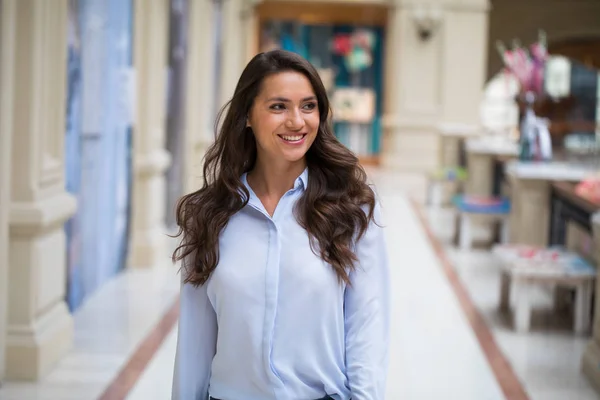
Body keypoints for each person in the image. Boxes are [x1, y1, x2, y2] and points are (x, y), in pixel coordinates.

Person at [171, 49, 390, 400]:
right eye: (278, 107)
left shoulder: (351, 209)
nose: (297, 121)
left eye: (308, 106)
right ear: (246, 116)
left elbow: (366, 326)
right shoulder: (209, 214)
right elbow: (194, 341)